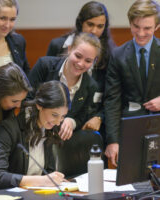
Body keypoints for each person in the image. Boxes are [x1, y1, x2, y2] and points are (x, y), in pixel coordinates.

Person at [46, 1, 115, 137]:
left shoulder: (110, 55)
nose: (94, 31)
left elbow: (111, 95)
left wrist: (99, 117)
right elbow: (46, 83)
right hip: (52, 119)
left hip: (85, 122)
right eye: (90, 24)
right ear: (81, 23)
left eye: (100, 26)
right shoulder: (58, 45)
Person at [104, 0, 160, 167]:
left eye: (147, 28)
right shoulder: (118, 55)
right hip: (131, 127)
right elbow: (112, 100)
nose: (141, 33)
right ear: (130, 24)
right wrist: (113, 140)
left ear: (157, 26)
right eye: (136, 26)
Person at [0, 81, 69, 189]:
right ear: (39, 105)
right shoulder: (9, 128)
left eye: (63, 116)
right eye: (54, 115)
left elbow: (48, 171)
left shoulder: (50, 127)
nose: (58, 122)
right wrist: (42, 181)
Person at [28, 33, 101, 141]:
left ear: (94, 61)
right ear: (70, 49)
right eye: (78, 56)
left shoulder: (91, 86)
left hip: (61, 142)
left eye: (88, 61)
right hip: (32, 131)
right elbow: (27, 98)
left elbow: (82, 116)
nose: (81, 64)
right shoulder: (44, 66)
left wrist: (72, 122)